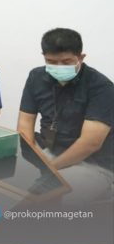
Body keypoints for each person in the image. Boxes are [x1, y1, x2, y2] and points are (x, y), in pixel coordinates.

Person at [17, 28, 113, 202]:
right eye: (51, 61)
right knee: (7, 178)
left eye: (66, 61)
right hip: (48, 151)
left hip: (91, 162)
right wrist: (33, 161)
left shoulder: (102, 87)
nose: (59, 67)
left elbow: (90, 143)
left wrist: (50, 170)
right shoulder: (36, 77)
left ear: (81, 57)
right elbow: (25, 124)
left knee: (52, 199)